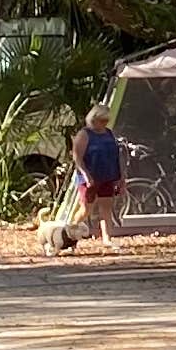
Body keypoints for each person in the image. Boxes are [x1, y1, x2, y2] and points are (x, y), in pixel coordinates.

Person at [53, 105, 127, 252]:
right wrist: (86, 175)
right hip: (90, 177)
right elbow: (77, 157)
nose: (104, 123)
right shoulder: (84, 134)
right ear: (94, 119)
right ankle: (68, 234)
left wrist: (121, 176)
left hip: (108, 175)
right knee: (86, 208)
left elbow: (116, 156)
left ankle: (107, 239)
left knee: (106, 207)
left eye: (106, 120)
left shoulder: (108, 134)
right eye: (102, 120)